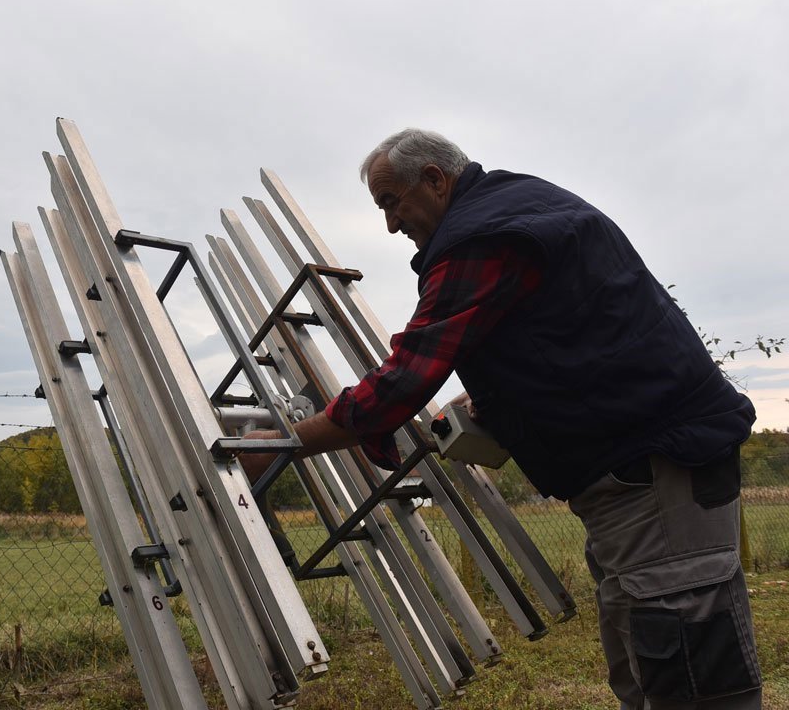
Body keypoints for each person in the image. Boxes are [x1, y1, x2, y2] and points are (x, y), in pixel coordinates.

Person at [243, 129, 761, 709]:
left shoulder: (480, 237)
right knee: (645, 663)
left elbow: (403, 381)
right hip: (638, 477)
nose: (390, 224)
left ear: (435, 179)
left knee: (688, 671)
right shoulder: (520, 205)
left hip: (657, 475)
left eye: (391, 201)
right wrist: (496, 398)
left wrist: (287, 443)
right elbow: (574, 335)